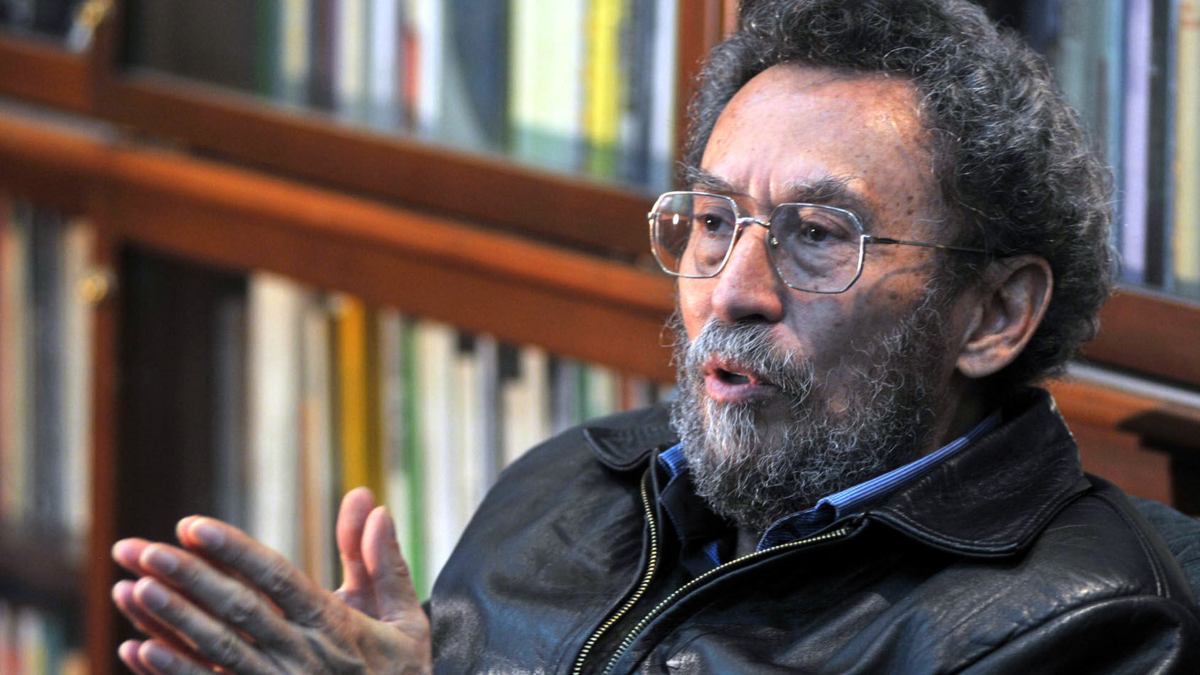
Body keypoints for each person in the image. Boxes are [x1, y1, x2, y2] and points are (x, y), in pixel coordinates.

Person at [111, 0, 1200, 672]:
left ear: (994, 315)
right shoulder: (574, 484)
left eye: (819, 236)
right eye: (714, 221)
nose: (734, 291)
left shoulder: (1089, 630)